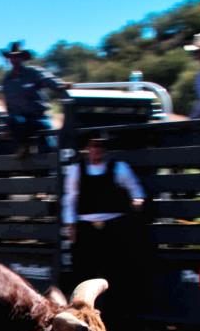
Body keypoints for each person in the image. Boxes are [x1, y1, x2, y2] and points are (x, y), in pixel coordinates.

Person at [61, 133, 146, 321]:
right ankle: (82, 316)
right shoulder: (76, 171)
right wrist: (70, 225)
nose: (95, 150)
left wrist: (137, 200)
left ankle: (115, 317)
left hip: (113, 229)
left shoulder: (119, 168)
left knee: (115, 273)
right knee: (83, 273)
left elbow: (136, 189)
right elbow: (70, 199)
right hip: (86, 230)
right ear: (87, 148)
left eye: (99, 146)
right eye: (92, 146)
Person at [0, 41, 69, 159]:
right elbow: (9, 105)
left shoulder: (33, 72)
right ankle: (23, 148)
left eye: (17, 57)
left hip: (39, 117)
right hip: (20, 121)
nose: (14, 60)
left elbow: (48, 80)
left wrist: (60, 85)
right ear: (9, 59)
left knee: (48, 143)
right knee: (11, 122)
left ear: (22, 58)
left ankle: (50, 167)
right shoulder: (7, 80)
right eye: (12, 57)